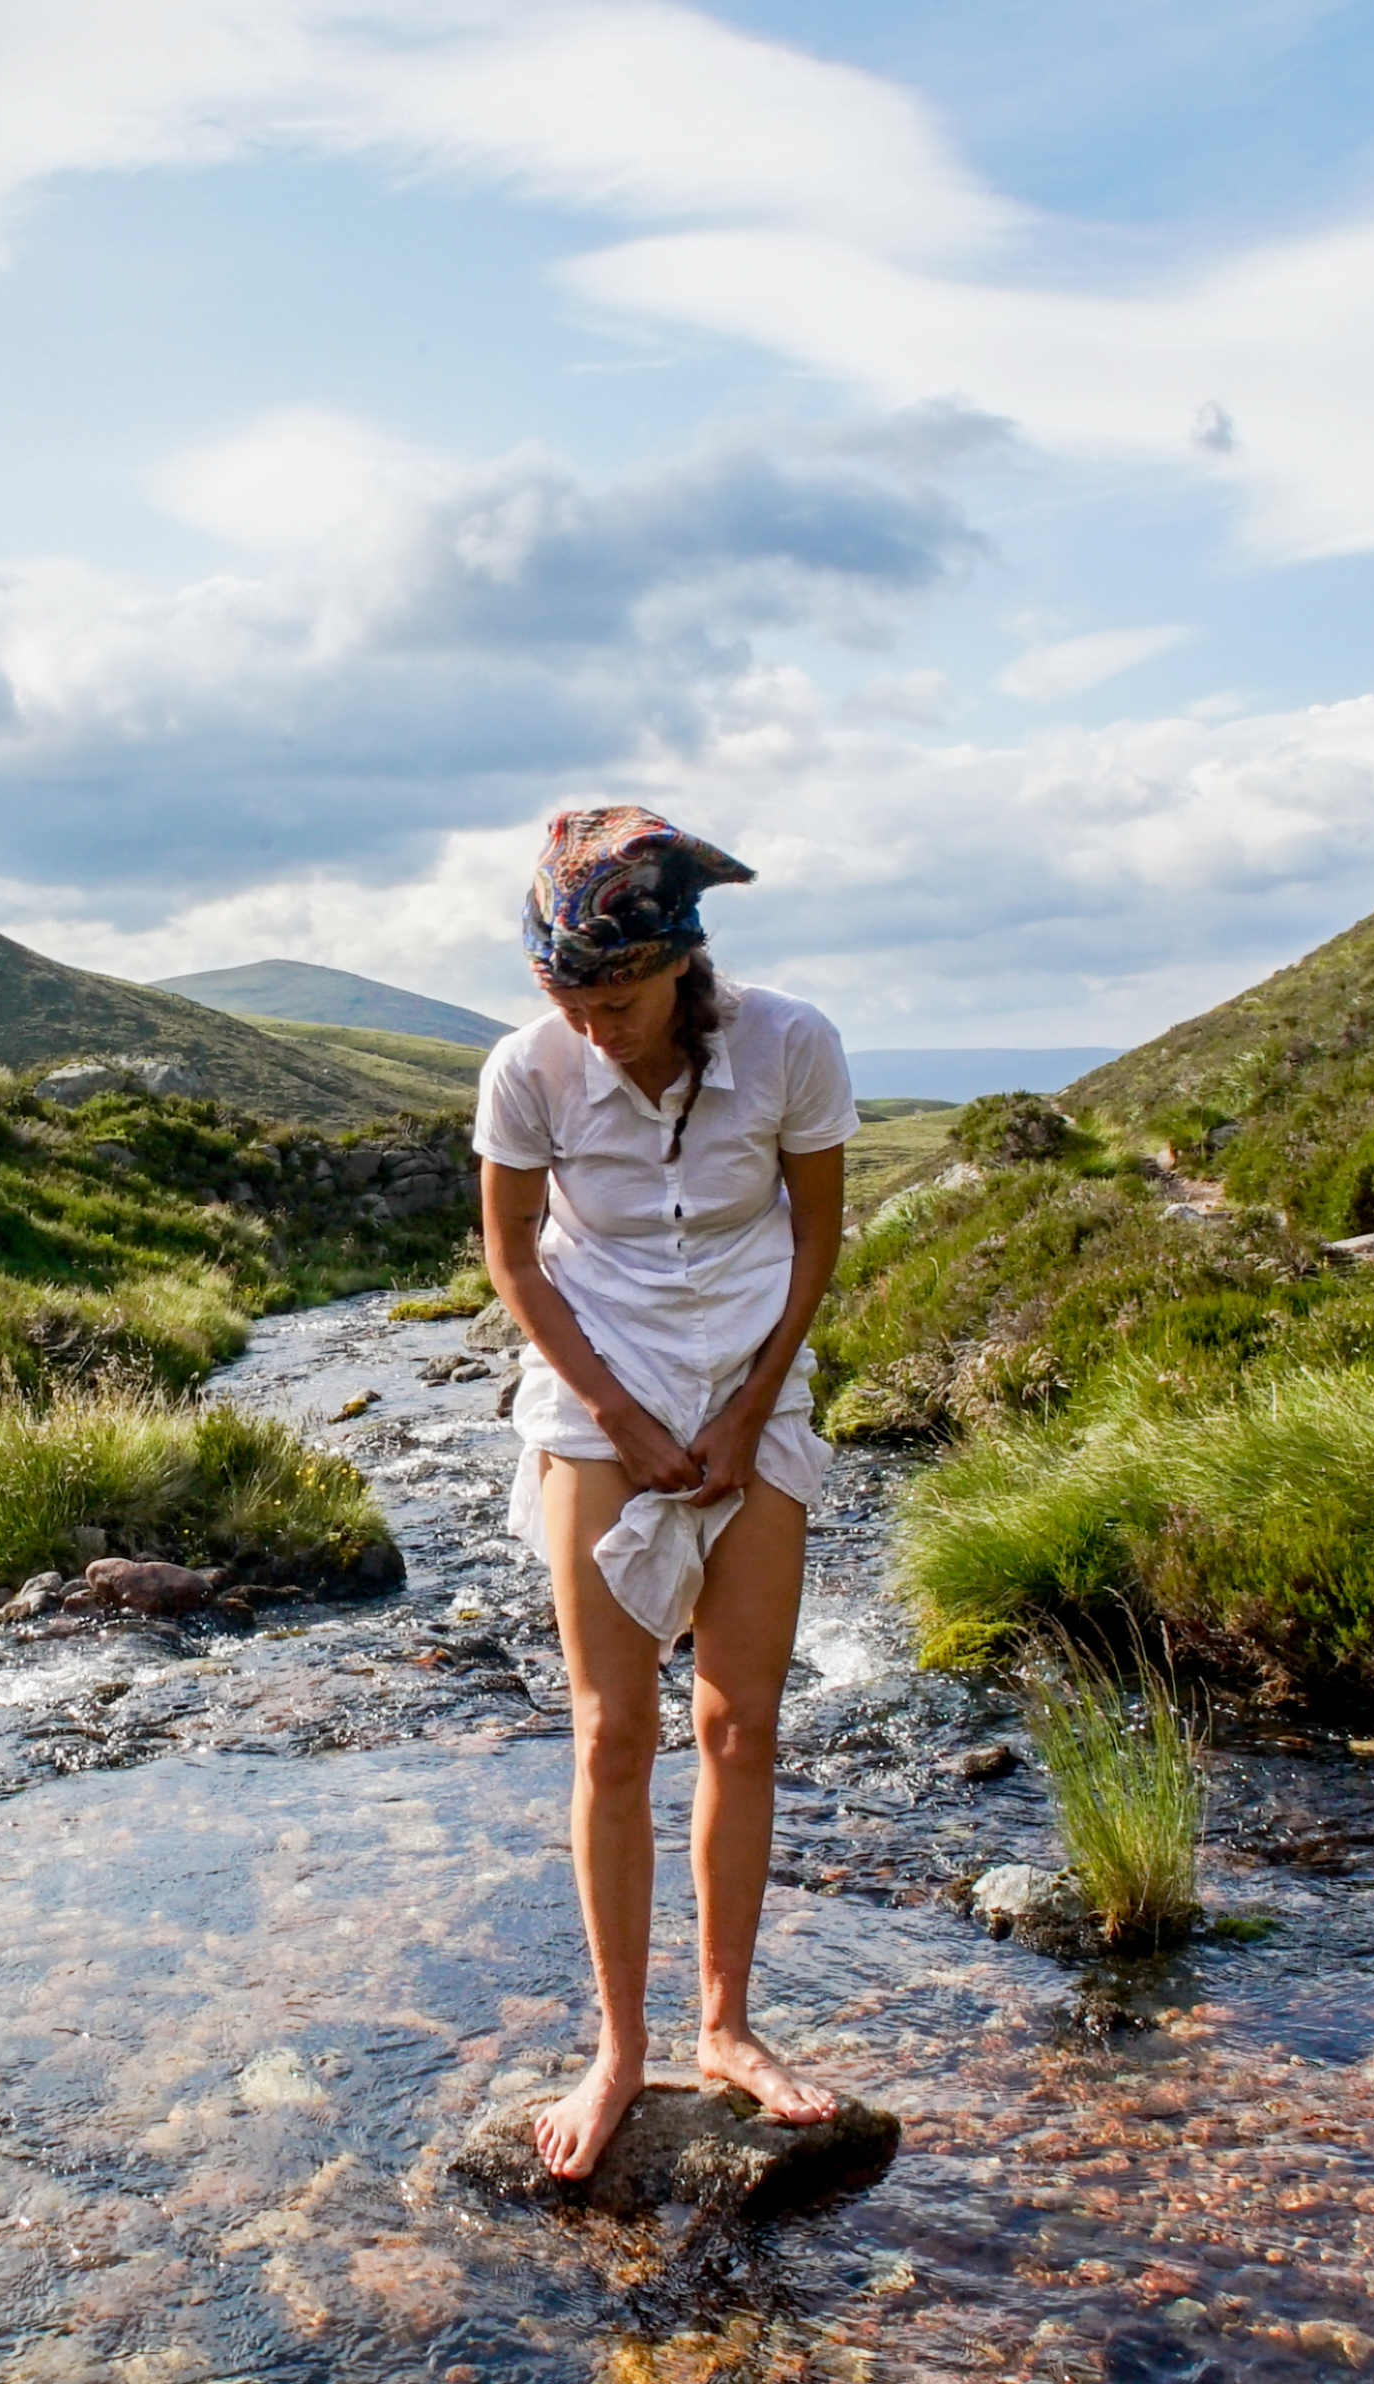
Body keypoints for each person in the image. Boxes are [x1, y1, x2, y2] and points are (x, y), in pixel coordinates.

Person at [470, 805, 857, 2180]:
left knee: (742, 1723)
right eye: (566, 998)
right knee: (610, 1735)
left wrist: (753, 1407)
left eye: (617, 999)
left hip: (754, 1389)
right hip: (597, 1402)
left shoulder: (793, 1045)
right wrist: (625, 1420)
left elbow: (817, 1233)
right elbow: (515, 1261)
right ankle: (622, 2046)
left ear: (684, 964)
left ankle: (730, 2030)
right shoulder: (528, 1070)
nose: (593, 1027)